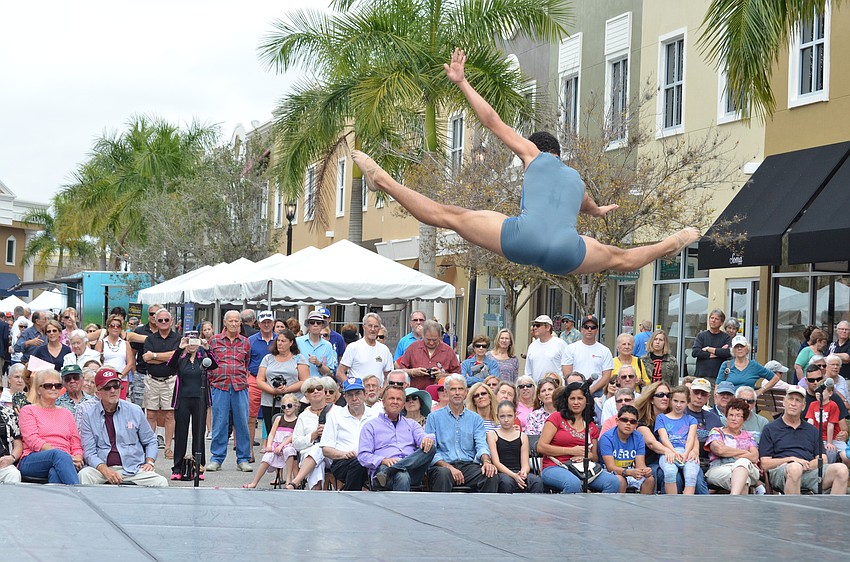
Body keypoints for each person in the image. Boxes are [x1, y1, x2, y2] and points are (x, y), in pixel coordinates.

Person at [352, 49, 698, 277]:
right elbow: (587, 205)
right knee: (620, 258)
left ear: (539, 150)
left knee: (449, 216)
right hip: (567, 252)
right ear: (561, 155)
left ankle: (383, 181)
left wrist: (462, 82)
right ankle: (671, 243)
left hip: (525, 237)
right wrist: (597, 212)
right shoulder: (576, 180)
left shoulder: (534, 155)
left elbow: (491, 121)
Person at [77, 367, 167, 487]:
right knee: (84, 476)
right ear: (98, 393)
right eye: (107, 388)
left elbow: (150, 440)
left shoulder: (135, 410)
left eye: (116, 386)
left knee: (161, 482)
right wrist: (105, 470)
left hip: (133, 468)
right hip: (102, 469)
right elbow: (89, 453)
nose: (113, 390)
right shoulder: (89, 415)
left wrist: (149, 462)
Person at [759, 386, 848, 494]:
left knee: (842, 470)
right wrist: (791, 460)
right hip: (781, 472)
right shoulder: (770, 428)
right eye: (790, 399)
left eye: (798, 400)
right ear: (784, 402)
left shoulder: (812, 430)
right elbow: (765, 464)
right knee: (795, 468)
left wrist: (807, 465)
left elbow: (823, 459)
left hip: (809, 470)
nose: (793, 403)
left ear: (803, 406)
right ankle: (792, 510)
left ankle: (831, 509)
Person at [537, 383, 620, 493]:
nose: (576, 402)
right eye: (572, 399)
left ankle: (596, 509)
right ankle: (564, 510)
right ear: (567, 401)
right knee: (573, 484)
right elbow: (541, 447)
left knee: (613, 482)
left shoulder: (591, 426)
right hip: (555, 466)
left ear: (586, 401)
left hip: (582, 467)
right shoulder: (556, 418)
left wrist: (586, 456)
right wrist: (571, 451)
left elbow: (594, 457)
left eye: (580, 398)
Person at [424, 373, 498, 493]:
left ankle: (485, 511)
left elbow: (481, 444)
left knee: (491, 474)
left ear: (466, 393)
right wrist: (449, 467)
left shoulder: (475, 419)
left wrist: (486, 461)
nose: (457, 392)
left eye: (460, 389)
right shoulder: (433, 417)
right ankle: (442, 511)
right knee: (443, 474)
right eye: (453, 389)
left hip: (468, 466)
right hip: (443, 465)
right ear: (446, 392)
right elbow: (432, 450)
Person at [358, 385, 436, 491]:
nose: (395, 402)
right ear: (383, 402)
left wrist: (426, 439)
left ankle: (392, 470)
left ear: (403, 404)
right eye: (391, 398)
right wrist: (383, 460)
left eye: (399, 399)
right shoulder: (370, 426)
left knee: (431, 447)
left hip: (411, 470)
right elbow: (363, 456)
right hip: (383, 473)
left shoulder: (411, 424)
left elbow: (422, 436)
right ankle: (391, 472)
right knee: (402, 476)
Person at [166, 334, 218, 481]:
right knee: (181, 434)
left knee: (198, 434)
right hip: (182, 399)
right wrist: (179, 348)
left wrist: (208, 349)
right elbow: (170, 365)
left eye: (194, 341)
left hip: (199, 399)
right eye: (189, 341)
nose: (192, 344)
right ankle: (177, 468)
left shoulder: (203, 359)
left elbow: (215, 365)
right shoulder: (181, 359)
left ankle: (199, 468)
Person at [206, 310, 253, 473]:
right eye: (230, 321)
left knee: (242, 423)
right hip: (220, 386)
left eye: (236, 321)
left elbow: (246, 363)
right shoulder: (214, 340)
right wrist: (213, 379)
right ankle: (216, 458)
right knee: (219, 423)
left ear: (240, 323)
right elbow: (209, 363)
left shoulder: (245, 342)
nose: (233, 324)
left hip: (240, 386)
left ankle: (243, 459)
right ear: (225, 323)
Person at [17, 369, 82, 484]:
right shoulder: (28, 410)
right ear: (38, 390)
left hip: (64, 460)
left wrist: (78, 456)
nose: (53, 389)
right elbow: (33, 440)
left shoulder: (67, 413)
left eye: (57, 385)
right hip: (33, 458)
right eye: (48, 385)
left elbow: (75, 442)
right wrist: (64, 456)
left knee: (55, 472)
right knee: (58, 456)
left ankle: (54, 502)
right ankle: (80, 496)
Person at [320, 377, 375, 491]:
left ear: (365, 394)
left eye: (358, 393)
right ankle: (354, 494)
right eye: (350, 395)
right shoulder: (335, 416)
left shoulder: (375, 415)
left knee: (364, 464)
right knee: (359, 464)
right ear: (344, 397)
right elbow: (326, 449)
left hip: (371, 460)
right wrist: (344, 454)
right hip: (343, 462)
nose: (354, 398)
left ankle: (349, 495)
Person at [141, 309, 181, 460]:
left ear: (171, 321)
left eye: (166, 320)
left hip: (170, 380)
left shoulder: (178, 338)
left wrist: (155, 355)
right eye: (160, 320)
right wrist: (168, 356)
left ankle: (168, 447)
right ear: (155, 321)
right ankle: (150, 446)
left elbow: (177, 357)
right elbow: (146, 359)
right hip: (152, 380)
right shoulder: (150, 339)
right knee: (150, 413)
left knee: (170, 414)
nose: (163, 322)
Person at [243, 393, 300, 489]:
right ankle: (254, 482)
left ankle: (288, 480)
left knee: (289, 451)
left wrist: (281, 446)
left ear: (296, 406)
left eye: (289, 406)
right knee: (267, 457)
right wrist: (269, 445)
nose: (286, 408)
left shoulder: (298, 420)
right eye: (283, 406)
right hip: (276, 444)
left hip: (288, 445)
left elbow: (293, 436)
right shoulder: (279, 418)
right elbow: (272, 433)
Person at [256, 330, 309, 433]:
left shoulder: (299, 359)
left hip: (292, 402)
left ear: (291, 342)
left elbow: (305, 380)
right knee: (271, 431)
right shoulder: (268, 358)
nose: (279, 343)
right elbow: (260, 380)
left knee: (291, 431)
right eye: (278, 340)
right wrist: (273, 390)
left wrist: (287, 389)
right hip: (270, 402)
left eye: (283, 341)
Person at [705, 398, 761, 494]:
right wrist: (745, 452)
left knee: (742, 464)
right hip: (720, 468)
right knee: (743, 479)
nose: (733, 418)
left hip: (748, 469)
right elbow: (720, 451)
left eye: (738, 415)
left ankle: (733, 498)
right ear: (726, 416)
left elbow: (755, 457)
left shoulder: (748, 436)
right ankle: (737, 504)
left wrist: (729, 452)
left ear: (744, 418)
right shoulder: (717, 432)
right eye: (731, 415)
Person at [487, 400, 543, 493]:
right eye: (502, 416)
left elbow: (525, 464)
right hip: (502, 472)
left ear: (515, 415)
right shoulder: (492, 435)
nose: (506, 420)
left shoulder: (522, 436)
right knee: (506, 482)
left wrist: (523, 473)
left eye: (509, 416)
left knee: (536, 481)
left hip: (518, 470)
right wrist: (514, 476)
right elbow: (496, 462)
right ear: (497, 417)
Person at [286, 378, 330, 490]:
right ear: (306, 395)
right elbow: (296, 443)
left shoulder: (338, 411)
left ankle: (296, 481)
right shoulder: (303, 416)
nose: (316, 391)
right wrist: (312, 436)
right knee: (317, 457)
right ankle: (317, 495)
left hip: (332, 455)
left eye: (319, 388)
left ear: (324, 391)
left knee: (320, 447)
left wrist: (329, 432)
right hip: (309, 457)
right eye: (311, 390)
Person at [599, 404, 655, 493]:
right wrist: (630, 472)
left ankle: (642, 506)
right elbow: (610, 467)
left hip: (630, 472)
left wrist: (645, 471)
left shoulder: (639, 437)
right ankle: (620, 507)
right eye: (624, 420)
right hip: (610, 473)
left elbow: (640, 464)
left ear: (636, 424)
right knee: (620, 480)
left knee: (649, 480)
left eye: (632, 421)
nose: (628, 423)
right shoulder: (607, 438)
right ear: (617, 421)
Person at [654, 385, 699, 495]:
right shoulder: (661, 418)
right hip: (669, 451)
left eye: (682, 402)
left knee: (691, 474)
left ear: (687, 403)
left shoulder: (691, 420)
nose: (678, 405)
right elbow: (664, 438)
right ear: (670, 400)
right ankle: (672, 501)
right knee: (670, 472)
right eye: (675, 401)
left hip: (686, 451)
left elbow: (691, 438)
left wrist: (687, 453)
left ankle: (687, 503)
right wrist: (673, 452)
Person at [396, 319, 460, 389]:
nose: (431, 343)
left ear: (440, 336)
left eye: (435, 340)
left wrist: (442, 375)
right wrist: (413, 371)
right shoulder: (413, 348)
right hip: (417, 393)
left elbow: (458, 375)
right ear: (423, 335)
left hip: (441, 394)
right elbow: (400, 370)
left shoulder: (448, 351)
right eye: (428, 340)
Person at [337, 313, 394, 385]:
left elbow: (388, 376)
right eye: (370, 326)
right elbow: (340, 373)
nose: (373, 329)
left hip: (377, 395)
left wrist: (381, 392)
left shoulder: (385, 350)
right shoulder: (353, 347)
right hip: (358, 394)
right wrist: (351, 387)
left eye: (376, 326)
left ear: (379, 328)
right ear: (364, 327)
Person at [564, 315, 613, 395]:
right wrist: (578, 390)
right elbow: (567, 373)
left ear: (597, 330)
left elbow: (606, 376)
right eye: (586, 327)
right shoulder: (570, 348)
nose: (589, 330)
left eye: (593, 327)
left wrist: (591, 390)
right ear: (581, 329)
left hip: (597, 393)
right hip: (574, 392)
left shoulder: (605, 351)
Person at [803, 382, 846, 465]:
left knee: (842, 455)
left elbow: (831, 425)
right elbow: (810, 422)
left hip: (832, 438)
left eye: (822, 392)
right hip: (818, 438)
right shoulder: (813, 405)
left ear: (830, 393)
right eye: (817, 392)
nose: (819, 394)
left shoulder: (833, 405)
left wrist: (829, 442)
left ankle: (836, 470)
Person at [95, 314, 135, 400]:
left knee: (121, 405)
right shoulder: (101, 343)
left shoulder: (125, 343)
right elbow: (96, 362)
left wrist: (120, 376)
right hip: (105, 381)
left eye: (118, 326)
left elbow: (130, 363)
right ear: (108, 328)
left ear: (121, 328)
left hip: (121, 380)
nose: (115, 328)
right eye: (112, 325)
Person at [524, 315, 568, 383]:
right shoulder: (532, 346)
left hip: (556, 389)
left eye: (538, 325)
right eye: (534, 325)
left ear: (547, 327)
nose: (534, 328)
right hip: (537, 389)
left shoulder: (561, 344)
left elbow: (566, 369)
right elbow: (528, 371)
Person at [691, 309, 732, 382]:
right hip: (701, 376)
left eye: (716, 319)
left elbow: (728, 352)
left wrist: (708, 348)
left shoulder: (726, 337)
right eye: (712, 318)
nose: (713, 320)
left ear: (721, 322)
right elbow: (695, 352)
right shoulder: (701, 336)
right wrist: (718, 352)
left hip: (718, 377)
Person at [295, 310, 337, 380]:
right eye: (312, 322)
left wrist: (319, 364)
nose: (315, 325)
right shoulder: (298, 341)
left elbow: (329, 372)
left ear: (322, 326)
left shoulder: (328, 345)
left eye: (318, 323)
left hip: (320, 387)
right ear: (308, 325)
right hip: (301, 386)